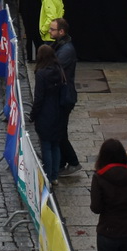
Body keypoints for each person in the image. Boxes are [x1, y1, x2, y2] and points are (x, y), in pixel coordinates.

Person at [47, 17, 80, 175]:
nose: (49, 31)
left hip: (64, 97)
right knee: (59, 130)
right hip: (60, 95)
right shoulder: (60, 45)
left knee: (59, 132)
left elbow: (54, 69)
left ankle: (73, 162)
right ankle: (61, 163)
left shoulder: (66, 50)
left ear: (61, 31)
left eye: (52, 29)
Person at [31, 44, 68, 180]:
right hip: (58, 112)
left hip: (45, 113)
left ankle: (48, 176)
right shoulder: (59, 70)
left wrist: (33, 115)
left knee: (46, 145)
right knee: (55, 145)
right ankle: (54, 176)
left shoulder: (41, 74)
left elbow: (39, 98)